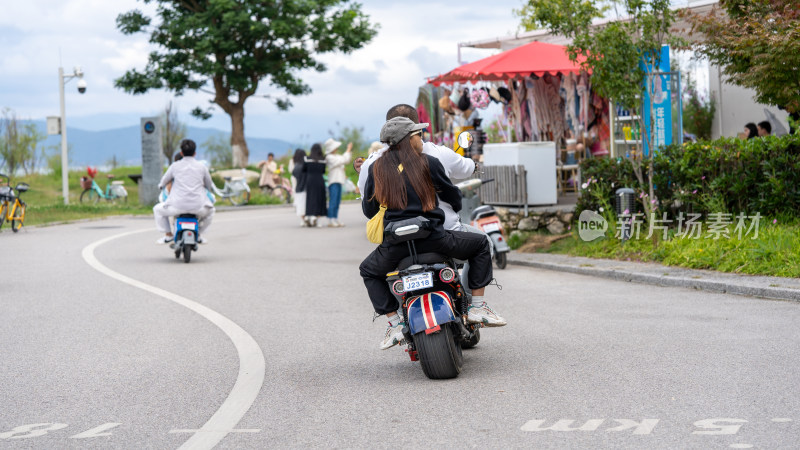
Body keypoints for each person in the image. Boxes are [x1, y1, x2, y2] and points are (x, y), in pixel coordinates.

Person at [360, 117, 505, 351]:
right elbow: (453, 197)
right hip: (435, 241)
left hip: (396, 247)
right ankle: (477, 307)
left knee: (367, 270)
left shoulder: (376, 169)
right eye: (418, 134)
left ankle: (395, 323)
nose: (422, 138)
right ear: (408, 140)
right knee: (480, 244)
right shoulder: (429, 162)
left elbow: (369, 210)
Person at [357, 104, 477, 232]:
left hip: (393, 238)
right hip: (443, 231)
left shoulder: (372, 165)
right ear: (415, 130)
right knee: (483, 242)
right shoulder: (434, 158)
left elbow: (369, 208)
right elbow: (454, 197)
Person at [154, 139, 215, 244]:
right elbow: (209, 184)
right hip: (198, 207)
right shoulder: (202, 167)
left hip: (177, 207)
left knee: (157, 209)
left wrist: (160, 186)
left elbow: (164, 181)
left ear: (181, 153)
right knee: (211, 211)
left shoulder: (174, 166)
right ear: (195, 153)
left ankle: (168, 235)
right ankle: (199, 234)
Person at [323, 138, 352, 227]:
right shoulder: (329, 157)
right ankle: (330, 219)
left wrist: (348, 151)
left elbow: (346, 160)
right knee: (333, 201)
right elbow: (342, 160)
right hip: (333, 181)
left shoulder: (336, 156)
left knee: (337, 201)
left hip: (339, 180)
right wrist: (347, 150)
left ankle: (335, 218)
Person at [303, 143, 328, 227]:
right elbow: (323, 171)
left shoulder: (306, 159)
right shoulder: (323, 159)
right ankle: (318, 220)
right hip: (319, 180)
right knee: (320, 199)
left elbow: (304, 169)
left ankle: (309, 215)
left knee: (310, 198)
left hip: (310, 180)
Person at [289, 149, 309, 227]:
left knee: (299, 201)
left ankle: (303, 220)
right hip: (306, 185)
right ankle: (307, 218)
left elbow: (291, 170)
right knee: (305, 201)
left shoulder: (294, 161)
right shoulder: (307, 161)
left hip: (297, 181)